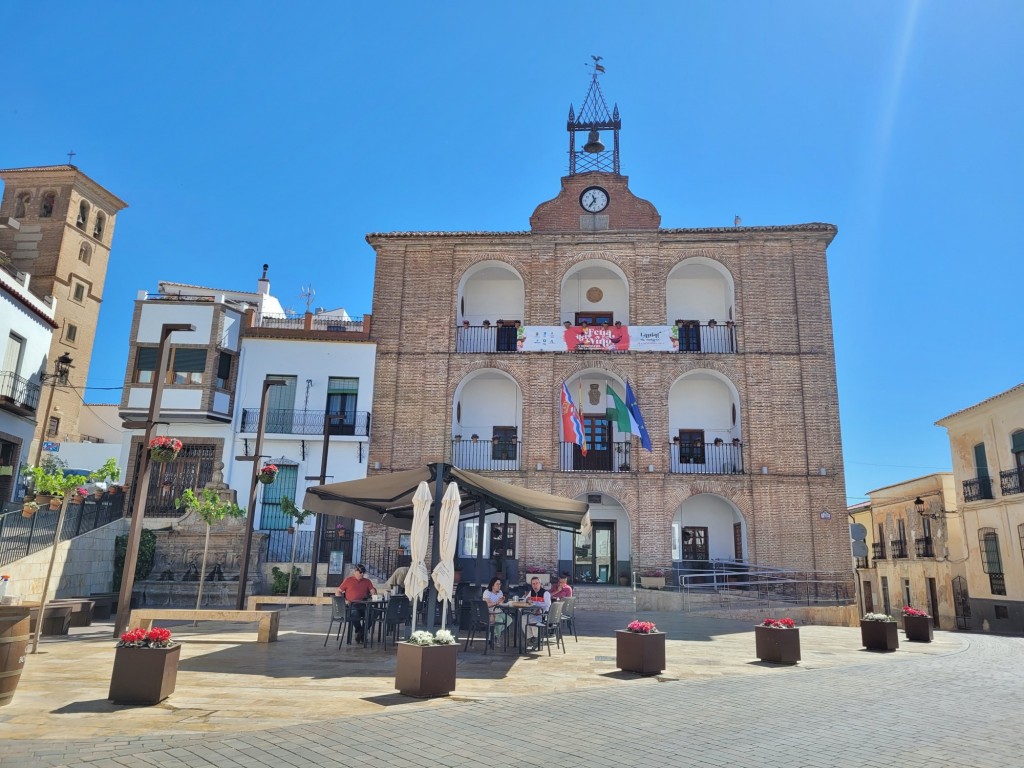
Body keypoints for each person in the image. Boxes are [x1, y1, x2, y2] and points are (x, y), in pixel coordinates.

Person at [336, 564, 376, 643]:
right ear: (355, 572)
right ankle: (360, 632)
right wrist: (344, 601)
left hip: (364, 605)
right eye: (360, 572)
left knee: (373, 614)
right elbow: (338, 592)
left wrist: (374, 592)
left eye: (363, 572)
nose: (362, 574)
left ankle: (360, 633)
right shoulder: (348, 580)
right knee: (354, 614)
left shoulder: (367, 581)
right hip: (351, 605)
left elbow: (373, 591)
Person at [521, 576, 551, 650]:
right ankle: (531, 639)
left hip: (543, 615)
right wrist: (528, 599)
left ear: (540, 584)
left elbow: (548, 606)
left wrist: (539, 610)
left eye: (536, 583)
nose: (535, 585)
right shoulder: (531, 592)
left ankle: (537, 640)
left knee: (533, 621)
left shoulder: (545, 593)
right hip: (533, 613)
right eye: (533, 584)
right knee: (523, 618)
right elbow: (525, 600)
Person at [482, 576, 510, 649]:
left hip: (499, 611)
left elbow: (499, 604)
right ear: (492, 585)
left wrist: (502, 600)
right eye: (497, 584)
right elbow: (487, 604)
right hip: (490, 613)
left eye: (500, 584)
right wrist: (496, 603)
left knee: (509, 619)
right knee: (499, 621)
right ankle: (497, 638)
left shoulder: (500, 592)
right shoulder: (487, 592)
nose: (499, 586)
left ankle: (493, 633)